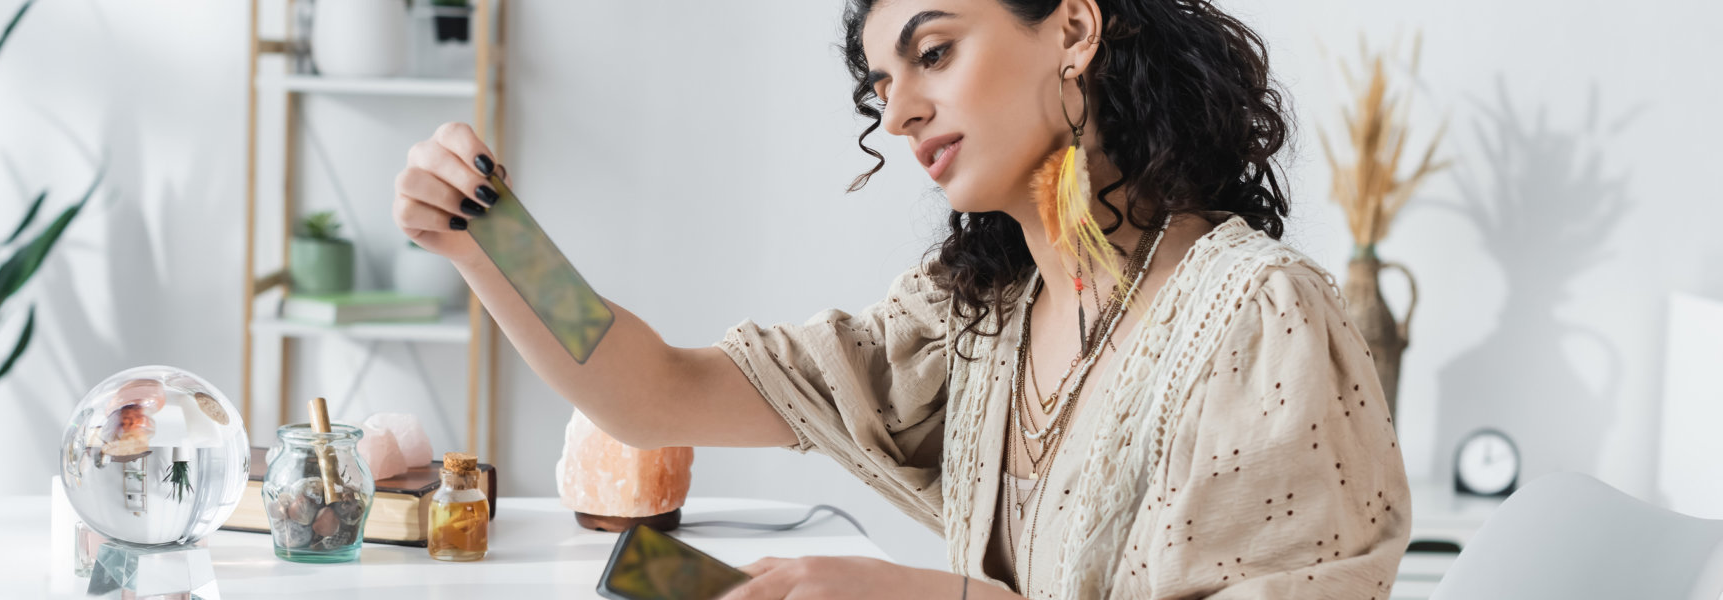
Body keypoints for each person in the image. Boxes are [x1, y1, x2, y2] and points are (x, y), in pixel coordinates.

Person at [391, 0, 1410, 597]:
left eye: (934, 52)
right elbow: (653, 392)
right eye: (883, 82)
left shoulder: (1257, 319)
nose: (902, 108)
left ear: (1074, 28)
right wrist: (488, 236)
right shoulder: (974, 322)